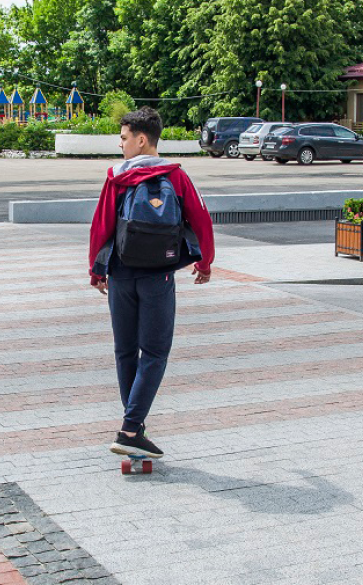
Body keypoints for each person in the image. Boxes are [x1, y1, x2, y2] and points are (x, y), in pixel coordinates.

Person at [87, 107, 215, 459]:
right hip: (159, 274)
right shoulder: (176, 176)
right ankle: (130, 429)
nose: (121, 144)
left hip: (121, 273)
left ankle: (134, 427)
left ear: (142, 140)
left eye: (125, 138)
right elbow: (201, 218)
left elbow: (100, 226)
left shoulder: (117, 177)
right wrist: (205, 262)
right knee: (155, 352)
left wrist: (96, 270)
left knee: (125, 351)